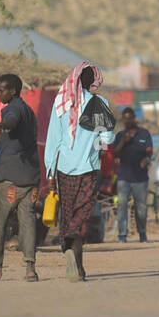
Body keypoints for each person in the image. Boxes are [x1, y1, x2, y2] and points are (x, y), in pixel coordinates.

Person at [44, 62, 111, 281]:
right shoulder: (100, 103)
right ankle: (77, 264)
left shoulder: (61, 102)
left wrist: (50, 173)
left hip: (64, 169)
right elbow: (107, 139)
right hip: (89, 169)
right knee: (81, 218)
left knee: (68, 215)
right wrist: (97, 147)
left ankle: (73, 259)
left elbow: (53, 141)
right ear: (94, 80)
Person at [0, 74, 41, 282]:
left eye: (1, 90)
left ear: (13, 91)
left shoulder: (12, 108)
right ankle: (30, 269)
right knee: (28, 222)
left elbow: (12, 120)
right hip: (30, 177)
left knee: (0, 224)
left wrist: (3, 125)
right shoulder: (30, 112)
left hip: (11, 178)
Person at [111, 107, 153, 242]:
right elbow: (115, 153)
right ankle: (122, 235)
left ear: (134, 118)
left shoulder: (144, 134)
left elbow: (149, 151)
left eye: (130, 118)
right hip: (124, 177)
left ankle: (142, 233)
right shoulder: (119, 135)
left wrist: (146, 160)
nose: (128, 121)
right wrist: (124, 141)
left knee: (141, 208)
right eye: (125, 119)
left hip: (140, 178)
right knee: (122, 205)